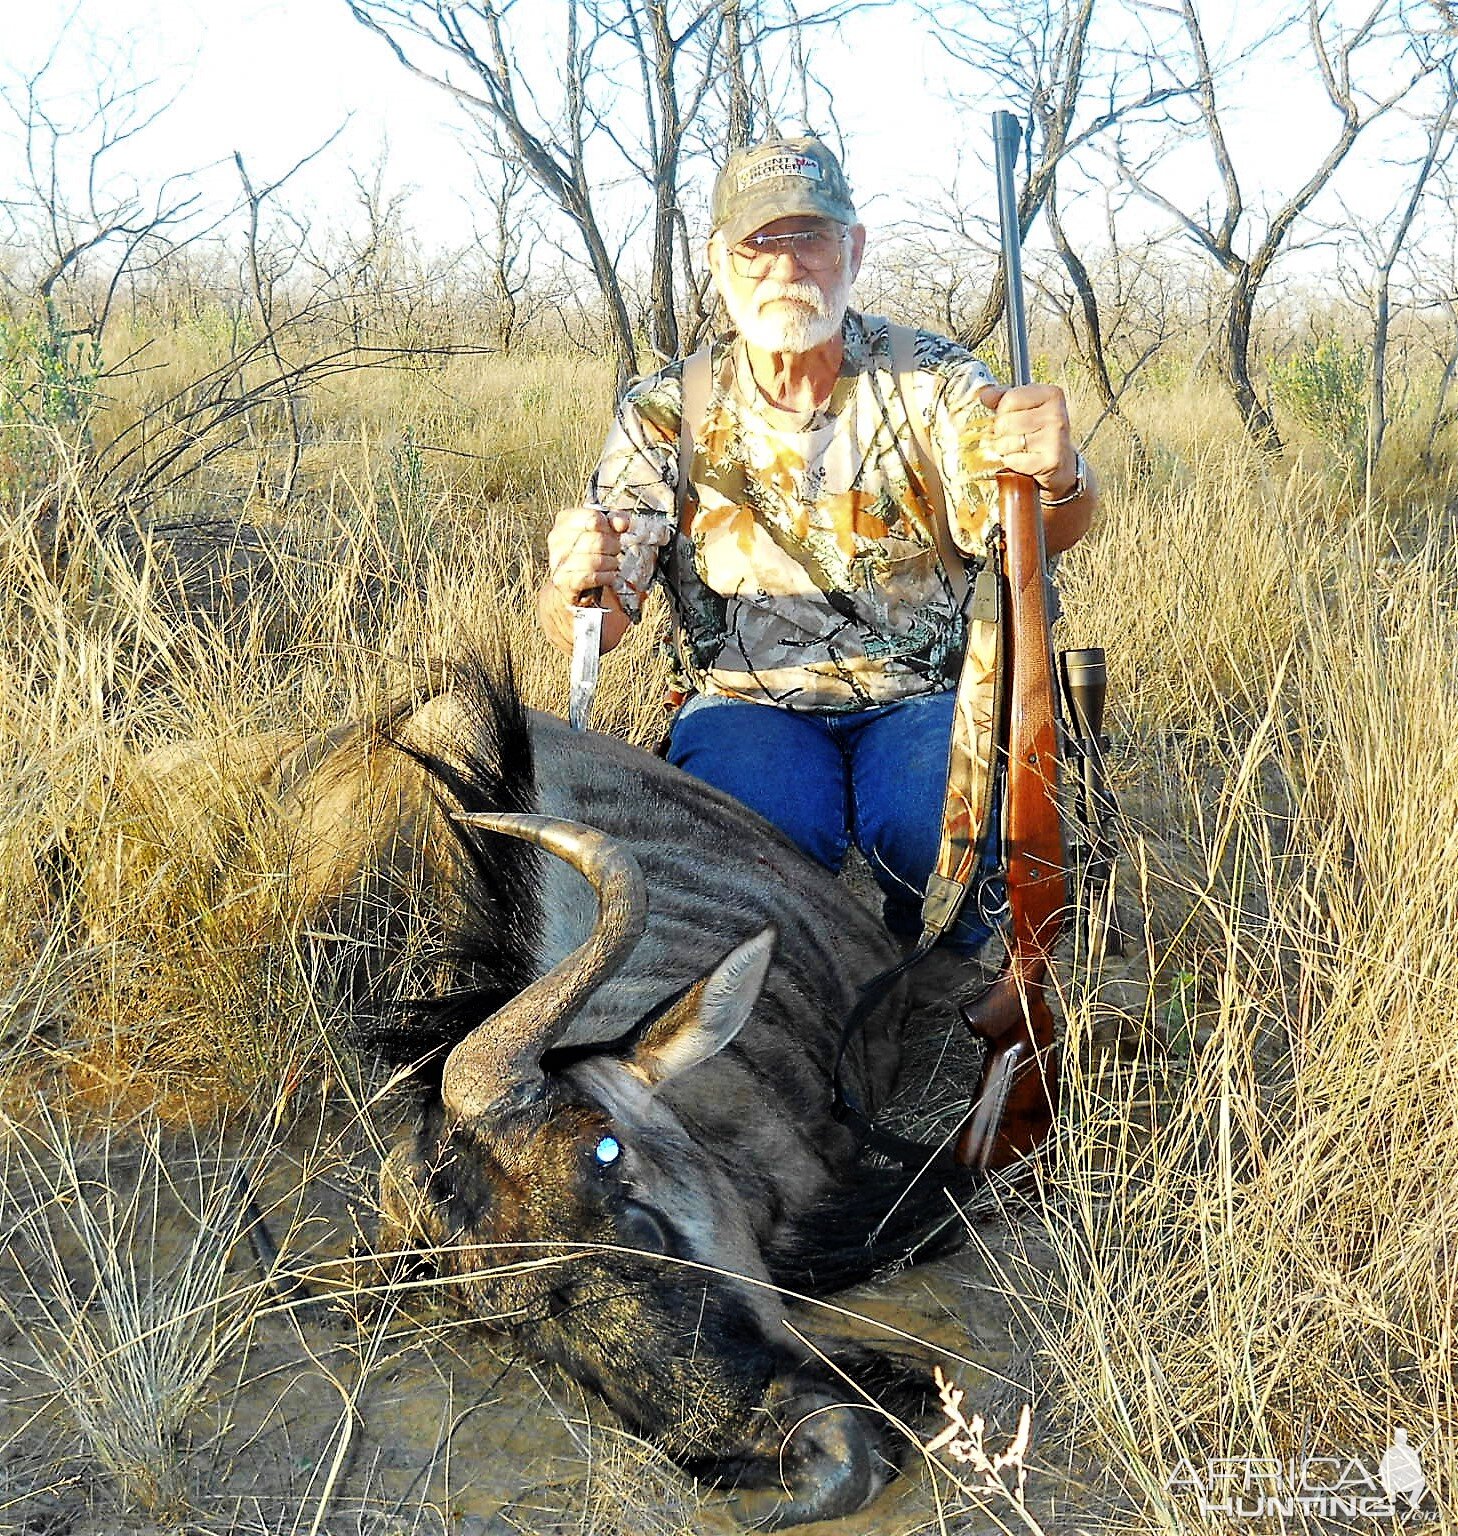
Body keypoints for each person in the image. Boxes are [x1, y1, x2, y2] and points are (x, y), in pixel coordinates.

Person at [538, 134, 1097, 961]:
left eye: (811, 238)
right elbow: (596, 626)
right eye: (758, 243)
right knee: (757, 853)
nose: (785, 265)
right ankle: (787, 987)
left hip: (923, 695)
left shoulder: (931, 379)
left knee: (930, 831)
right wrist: (572, 580)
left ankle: (940, 973)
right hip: (746, 704)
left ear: (854, 249)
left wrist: (1060, 476)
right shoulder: (667, 410)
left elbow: (1035, 536)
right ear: (718, 261)